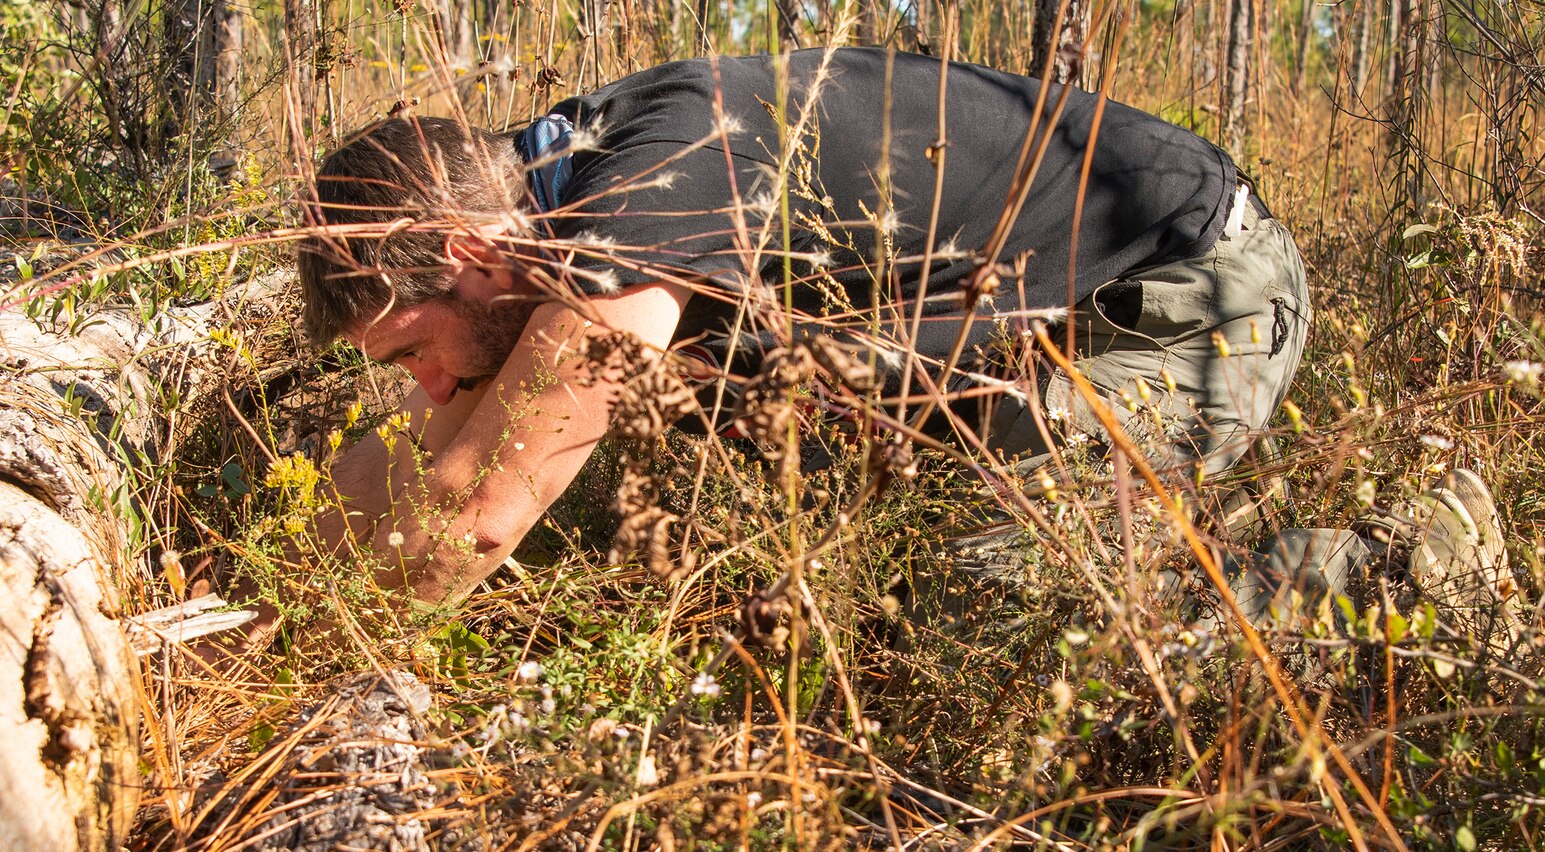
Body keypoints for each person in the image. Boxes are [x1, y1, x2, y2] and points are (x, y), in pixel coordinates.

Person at [290, 47, 1316, 607]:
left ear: (471, 259)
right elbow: (444, 446)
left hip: (1179, 301)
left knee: (995, 602)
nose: (421, 385)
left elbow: (480, 508)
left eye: (410, 352)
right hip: (1008, 338)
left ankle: (1387, 566)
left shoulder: (636, 185)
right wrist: (281, 566)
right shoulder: (534, 202)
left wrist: (305, 651)